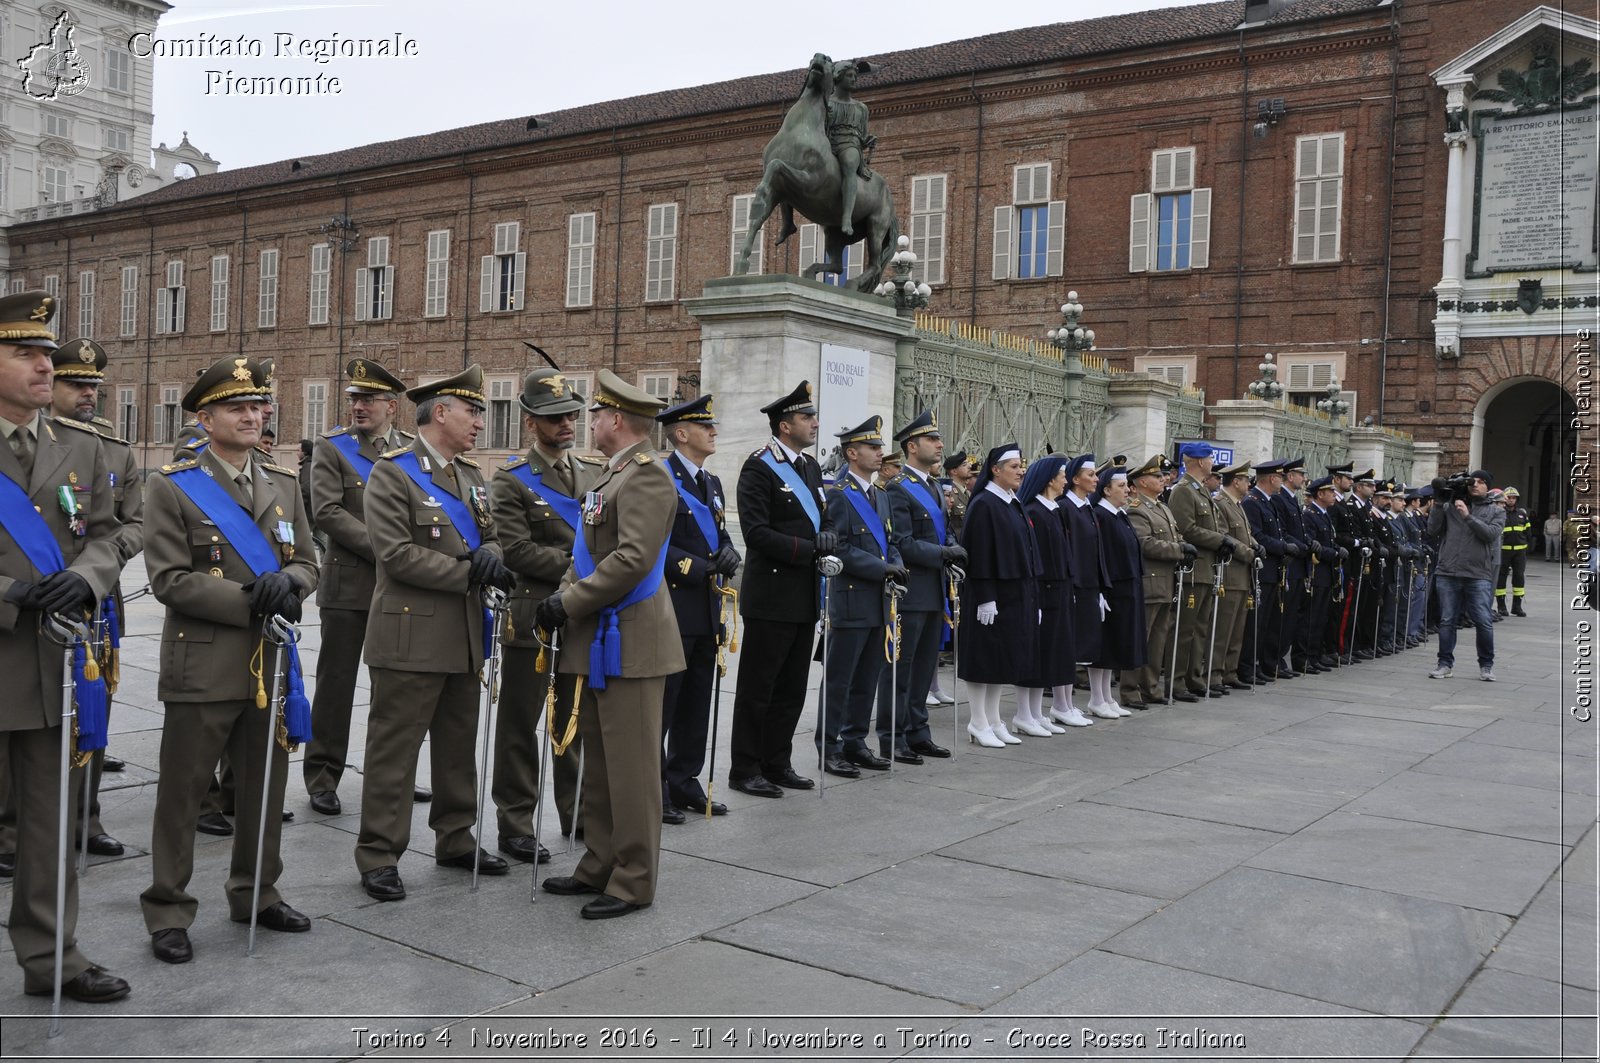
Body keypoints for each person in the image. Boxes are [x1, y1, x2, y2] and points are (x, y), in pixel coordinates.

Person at [140, 355, 318, 964]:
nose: (252, 415)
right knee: (184, 793)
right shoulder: (172, 484)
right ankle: (167, 907)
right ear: (206, 416)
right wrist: (250, 597)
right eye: (238, 407)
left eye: (259, 406)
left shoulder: (285, 484)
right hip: (205, 662)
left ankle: (258, 893)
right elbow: (169, 579)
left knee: (265, 788)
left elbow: (309, 563)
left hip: (268, 662)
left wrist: (290, 583)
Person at [0, 291, 131, 1002]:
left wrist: (83, 578)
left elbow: (109, 532)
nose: (45, 366)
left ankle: (54, 956)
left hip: (50, 663)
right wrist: (8, 593)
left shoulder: (79, 445)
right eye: (25, 353)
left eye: (47, 354)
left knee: (49, 824)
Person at [353, 365, 514, 903]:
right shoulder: (393, 473)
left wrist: (489, 557)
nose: (479, 423)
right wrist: (472, 571)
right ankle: (379, 852)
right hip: (410, 635)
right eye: (473, 411)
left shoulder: (469, 476)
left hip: (465, 634)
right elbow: (396, 556)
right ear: (440, 412)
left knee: (455, 747)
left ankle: (456, 837)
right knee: (394, 751)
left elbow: (490, 535)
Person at [534, 369, 683, 920]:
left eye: (595, 414)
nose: (588, 422)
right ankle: (599, 860)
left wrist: (568, 603)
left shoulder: (646, 476)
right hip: (601, 637)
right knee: (598, 763)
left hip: (632, 640)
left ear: (616, 420)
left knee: (632, 768)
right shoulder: (611, 475)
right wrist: (563, 595)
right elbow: (590, 557)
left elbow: (633, 560)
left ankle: (634, 879)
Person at [303, 358, 421, 817]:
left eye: (368, 399)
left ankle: (389, 775)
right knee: (336, 685)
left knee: (394, 688)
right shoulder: (333, 448)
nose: (358, 406)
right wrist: (388, 549)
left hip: (399, 589)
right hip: (349, 586)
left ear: (392, 406)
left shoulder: (411, 451)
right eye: (354, 398)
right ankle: (322, 775)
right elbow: (328, 512)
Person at [42, 338, 141, 858]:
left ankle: (87, 815)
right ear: (49, 385)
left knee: (92, 707)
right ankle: (13, 827)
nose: (88, 395)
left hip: (95, 600)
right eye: (76, 384)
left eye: (94, 387)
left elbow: (132, 525)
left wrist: (101, 565)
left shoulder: (111, 449)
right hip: (33, 599)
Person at [490, 369, 594, 857]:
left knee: (573, 719)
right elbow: (515, 550)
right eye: (555, 418)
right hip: (532, 615)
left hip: (580, 612)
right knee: (519, 724)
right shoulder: (511, 480)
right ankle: (515, 823)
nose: (567, 423)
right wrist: (585, 568)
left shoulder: (594, 473)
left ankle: (577, 814)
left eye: (571, 414)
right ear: (531, 422)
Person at [727, 382, 831, 799]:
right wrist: (810, 550)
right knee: (758, 688)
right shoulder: (759, 466)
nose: (815, 423)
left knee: (791, 688)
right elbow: (755, 533)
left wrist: (830, 539)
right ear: (785, 425)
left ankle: (777, 760)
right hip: (771, 595)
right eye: (808, 418)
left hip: (804, 595)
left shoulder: (809, 466)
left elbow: (824, 517)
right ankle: (745, 767)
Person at [656, 393, 740, 821]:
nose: (714, 432)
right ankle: (656, 789)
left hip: (708, 609)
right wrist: (700, 567)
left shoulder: (711, 482)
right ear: (682, 433)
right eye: (706, 427)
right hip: (675, 604)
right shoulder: (660, 478)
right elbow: (656, 543)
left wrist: (727, 554)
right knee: (665, 704)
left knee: (697, 703)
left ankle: (684, 779)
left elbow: (720, 532)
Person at [815, 416, 904, 774]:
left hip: (879, 600)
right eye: (873, 447)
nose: (880, 453)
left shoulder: (879, 494)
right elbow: (841, 549)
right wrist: (883, 568)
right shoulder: (838, 494)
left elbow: (890, 541)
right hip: (851, 598)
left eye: (879, 447)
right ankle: (830, 746)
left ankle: (855, 741)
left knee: (867, 676)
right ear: (852, 453)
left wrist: (896, 565)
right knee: (840, 679)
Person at [881, 410, 959, 760]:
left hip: (935, 590)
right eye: (932, 439)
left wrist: (952, 556)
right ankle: (894, 736)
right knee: (902, 668)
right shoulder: (898, 488)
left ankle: (918, 731)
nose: (940, 445)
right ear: (912, 446)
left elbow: (943, 530)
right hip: (911, 591)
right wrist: (945, 552)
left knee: (925, 666)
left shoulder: (930, 485)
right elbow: (903, 542)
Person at [957, 443, 1041, 746]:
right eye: (1014, 466)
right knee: (983, 659)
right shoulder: (984, 504)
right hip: (990, 594)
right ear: (996, 469)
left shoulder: (1010, 501)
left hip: (1014, 592)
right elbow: (979, 555)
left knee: (1001, 659)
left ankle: (993, 719)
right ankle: (977, 721)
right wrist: (985, 597)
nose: (1020, 471)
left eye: (1021, 466)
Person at [1167, 442, 1236, 699]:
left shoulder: (1201, 490)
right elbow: (1186, 528)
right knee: (1185, 630)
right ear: (1198, 462)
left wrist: (1221, 541)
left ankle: (1193, 677)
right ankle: (1175, 682)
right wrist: (1219, 540)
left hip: (1207, 569)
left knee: (1200, 629)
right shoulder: (1184, 490)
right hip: (1193, 571)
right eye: (1209, 459)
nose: (1211, 463)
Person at [1013, 454, 1074, 736]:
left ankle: (1036, 713)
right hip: (1043, 591)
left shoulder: (1053, 509)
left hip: (1058, 590)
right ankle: (1024, 714)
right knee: (1036, 655)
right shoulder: (1035, 511)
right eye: (1062, 475)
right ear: (1050, 479)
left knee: (1050, 654)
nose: (1065, 480)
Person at [1125, 454, 1192, 707]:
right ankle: (1130, 690)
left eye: (1162, 476)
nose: (1163, 479)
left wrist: (1183, 545)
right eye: (1156, 476)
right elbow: (1145, 543)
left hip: (1167, 582)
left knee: (1157, 641)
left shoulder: (1162, 507)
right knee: (1141, 638)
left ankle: (1150, 687)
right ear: (1141, 482)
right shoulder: (1137, 509)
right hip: (1150, 582)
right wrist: (1180, 551)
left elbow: (1176, 535)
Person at [1427, 470, 1506, 682]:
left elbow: (1489, 535)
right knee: (1447, 621)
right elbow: (1432, 530)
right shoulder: (1450, 505)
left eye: (1481, 482)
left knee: (1483, 621)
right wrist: (1437, 504)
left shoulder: (1496, 510)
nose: (1475, 485)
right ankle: (1444, 664)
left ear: (1488, 487)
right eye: (1473, 482)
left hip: (1478, 573)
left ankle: (1486, 665)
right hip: (1448, 571)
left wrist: (1467, 516)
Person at [1061, 454, 1118, 717]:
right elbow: (1068, 552)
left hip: (1091, 586)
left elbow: (1098, 552)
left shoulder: (1086, 507)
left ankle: (1070, 704)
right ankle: (1061, 705)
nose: (1096, 479)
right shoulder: (1065, 508)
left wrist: (1101, 587)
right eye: (1091, 475)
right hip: (1075, 586)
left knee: (1082, 646)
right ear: (1075, 479)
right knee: (1069, 647)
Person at [1090, 463, 1148, 710]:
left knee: (1117, 644)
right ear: (1106, 490)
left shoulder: (1120, 514)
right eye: (1121, 486)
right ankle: (1097, 697)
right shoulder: (1101, 516)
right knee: (1106, 644)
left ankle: (1107, 697)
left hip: (1128, 586)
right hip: (1112, 587)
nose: (1127, 490)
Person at [810, 53, 876, 236]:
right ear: (838, 77)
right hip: (829, 142)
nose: (854, 79)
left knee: (849, 163)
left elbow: (862, 135)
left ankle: (846, 217)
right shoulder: (828, 103)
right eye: (850, 75)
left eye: (855, 76)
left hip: (850, 144)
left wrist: (866, 141)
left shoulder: (861, 108)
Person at [1212, 463, 1260, 691]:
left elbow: (1246, 535)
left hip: (1243, 575)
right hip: (1230, 573)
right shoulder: (1220, 503)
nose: (1248, 483)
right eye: (1245, 479)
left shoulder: (1238, 505)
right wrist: (1249, 552)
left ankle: (1230, 672)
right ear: (1235, 481)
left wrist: (1257, 547)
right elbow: (1224, 536)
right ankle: (1215, 673)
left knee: (1237, 628)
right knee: (1223, 628)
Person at [1241, 459, 1288, 684]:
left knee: (1266, 622)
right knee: (1255, 623)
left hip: (1273, 570)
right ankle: (1247, 667)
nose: (1282, 481)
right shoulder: (1253, 502)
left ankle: (1257, 664)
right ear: (1271, 478)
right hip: (1262, 570)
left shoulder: (1268, 502)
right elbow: (1257, 536)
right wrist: (1282, 547)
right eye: (1280, 477)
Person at [1300, 477, 1346, 670]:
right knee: (1311, 617)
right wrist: (1334, 552)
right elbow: (1314, 545)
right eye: (1331, 492)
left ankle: (1316, 654)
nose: (1335, 495)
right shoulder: (1310, 514)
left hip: (1327, 573)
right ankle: (1305, 657)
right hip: (1316, 572)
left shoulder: (1324, 514)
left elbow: (1328, 539)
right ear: (1320, 494)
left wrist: (1337, 547)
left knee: (1322, 617)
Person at [1496, 487, 1530, 617]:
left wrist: (1525, 546)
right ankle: (1501, 606)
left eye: (1514, 498)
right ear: (1504, 499)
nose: (1511, 500)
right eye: (1509, 498)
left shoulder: (1522, 514)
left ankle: (1517, 607)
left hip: (1519, 553)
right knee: (1501, 578)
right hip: (1503, 551)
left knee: (1519, 578)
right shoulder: (1499, 512)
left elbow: (1528, 531)